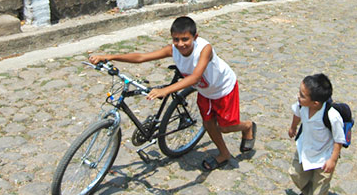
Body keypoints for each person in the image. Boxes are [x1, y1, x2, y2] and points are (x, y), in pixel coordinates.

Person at [88, 16, 256, 171]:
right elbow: (141, 57)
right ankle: (224, 154)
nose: (180, 44)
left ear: (195, 37)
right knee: (208, 124)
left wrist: (165, 90)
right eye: (176, 39)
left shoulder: (205, 49)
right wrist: (110, 56)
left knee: (226, 127)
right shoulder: (173, 49)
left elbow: (195, 77)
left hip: (222, 89)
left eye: (185, 39)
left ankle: (247, 126)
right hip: (204, 91)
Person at [287, 73, 346, 195]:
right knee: (296, 173)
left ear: (315, 103)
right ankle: (307, 192)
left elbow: (339, 139)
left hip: (324, 155)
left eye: (302, 95)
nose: (298, 97)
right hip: (305, 148)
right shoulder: (302, 105)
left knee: (320, 185)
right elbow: (296, 113)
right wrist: (293, 127)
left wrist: (332, 159)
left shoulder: (332, 116)